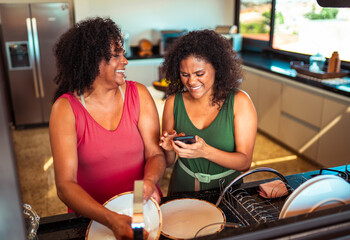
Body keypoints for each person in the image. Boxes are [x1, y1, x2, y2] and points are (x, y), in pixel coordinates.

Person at [49, 17, 166, 239]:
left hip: (141, 209)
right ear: (92, 61)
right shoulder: (65, 109)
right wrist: (111, 219)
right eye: (116, 55)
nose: (125, 61)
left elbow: (155, 153)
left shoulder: (138, 94)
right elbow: (65, 185)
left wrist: (150, 181)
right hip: (92, 216)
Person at [159, 30, 257, 194]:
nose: (191, 81)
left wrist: (205, 151)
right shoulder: (173, 103)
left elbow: (244, 163)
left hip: (226, 192)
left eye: (199, 74)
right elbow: (169, 162)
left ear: (217, 68)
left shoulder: (240, 102)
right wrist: (169, 148)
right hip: (182, 188)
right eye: (185, 75)